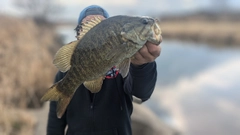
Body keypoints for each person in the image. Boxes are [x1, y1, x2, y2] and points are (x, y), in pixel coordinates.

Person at [47, 5, 161, 135]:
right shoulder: (64, 75)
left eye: (99, 26)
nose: (94, 31)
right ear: (78, 33)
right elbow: (55, 122)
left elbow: (141, 94)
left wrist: (143, 66)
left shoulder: (123, 70)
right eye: (86, 27)